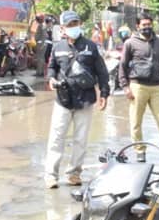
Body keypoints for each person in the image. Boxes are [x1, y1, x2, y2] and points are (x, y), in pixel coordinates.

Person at [44, 10, 111, 189]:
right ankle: (51, 175)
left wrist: (104, 94)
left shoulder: (91, 47)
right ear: (63, 28)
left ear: (80, 24)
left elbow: (102, 73)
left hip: (85, 100)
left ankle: (74, 173)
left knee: (80, 139)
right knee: (56, 138)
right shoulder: (58, 47)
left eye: (76, 24)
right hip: (63, 100)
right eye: (70, 25)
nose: (74, 27)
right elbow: (51, 67)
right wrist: (51, 78)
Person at [120, 14, 159, 164]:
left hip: (158, 87)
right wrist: (125, 87)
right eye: (144, 25)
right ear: (138, 26)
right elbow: (123, 66)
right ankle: (140, 151)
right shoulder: (130, 43)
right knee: (135, 122)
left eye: (149, 24)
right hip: (137, 86)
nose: (147, 27)